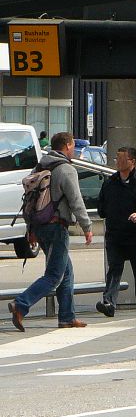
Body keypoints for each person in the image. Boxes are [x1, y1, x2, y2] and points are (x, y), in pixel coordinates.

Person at [9, 131, 93, 332]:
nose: (74, 150)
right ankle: (21, 304)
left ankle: (67, 317)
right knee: (55, 275)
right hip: (57, 226)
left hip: (40, 226)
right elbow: (76, 201)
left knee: (66, 271)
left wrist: (31, 230)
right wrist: (87, 227)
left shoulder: (40, 166)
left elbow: (31, 201)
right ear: (67, 146)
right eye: (73, 146)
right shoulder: (66, 169)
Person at [96, 146, 136, 317]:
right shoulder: (110, 183)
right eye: (117, 159)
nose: (118, 162)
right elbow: (101, 207)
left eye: (122, 159)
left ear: (132, 161)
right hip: (115, 234)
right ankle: (108, 302)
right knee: (114, 269)